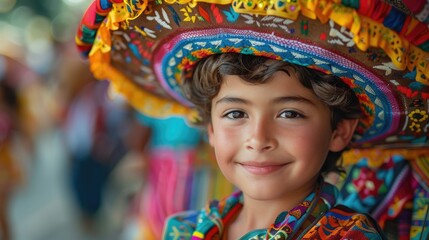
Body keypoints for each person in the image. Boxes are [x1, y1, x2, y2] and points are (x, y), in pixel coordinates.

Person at [75, 0, 429, 239]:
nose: (258, 138)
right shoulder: (182, 230)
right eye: (236, 113)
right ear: (210, 128)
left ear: (339, 130)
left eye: (290, 113)